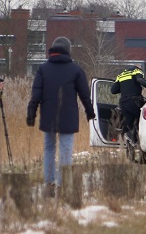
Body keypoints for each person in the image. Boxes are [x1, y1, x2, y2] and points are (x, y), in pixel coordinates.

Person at [26, 37, 95, 197]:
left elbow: (35, 94)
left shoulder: (43, 69)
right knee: (65, 150)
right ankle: (62, 186)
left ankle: (49, 184)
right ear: (68, 50)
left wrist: (31, 113)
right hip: (68, 117)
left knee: (49, 148)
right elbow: (85, 95)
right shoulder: (76, 70)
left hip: (48, 117)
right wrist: (90, 112)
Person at [111, 64, 146, 147]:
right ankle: (140, 141)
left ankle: (131, 139)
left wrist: (125, 88)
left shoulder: (121, 75)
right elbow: (140, 80)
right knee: (142, 120)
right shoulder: (136, 71)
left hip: (123, 103)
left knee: (130, 124)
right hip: (134, 102)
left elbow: (113, 90)